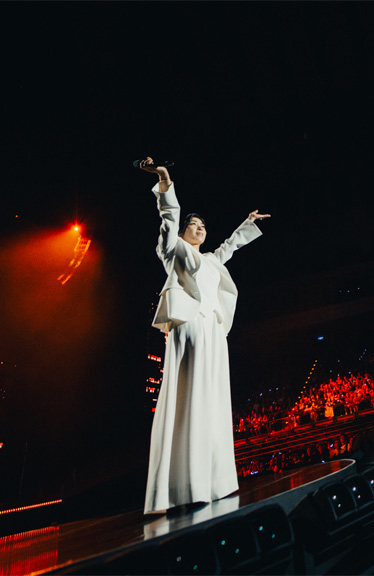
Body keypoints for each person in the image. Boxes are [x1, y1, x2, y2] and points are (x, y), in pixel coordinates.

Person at [139, 157, 271, 514]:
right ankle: (187, 484)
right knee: (193, 395)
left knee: (212, 399)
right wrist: (164, 180)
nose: (199, 228)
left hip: (214, 332)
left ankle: (213, 481)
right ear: (183, 232)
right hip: (190, 325)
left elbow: (230, 246)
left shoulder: (211, 260)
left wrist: (247, 223)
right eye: (193, 225)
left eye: (202, 225)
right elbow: (169, 218)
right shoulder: (174, 251)